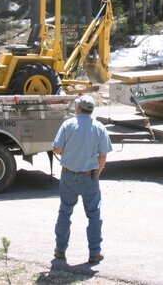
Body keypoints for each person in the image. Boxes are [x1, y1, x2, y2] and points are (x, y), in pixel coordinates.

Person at [52, 94, 113, 265]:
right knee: (94, 215)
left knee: (65, 212)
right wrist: (97, 173)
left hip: (68, 175)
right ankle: (95, 252)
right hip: (90, 176)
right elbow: (103, 156)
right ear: (92, 109)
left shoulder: (68, 125)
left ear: (78, 108)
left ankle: (60, 251)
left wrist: (68, 152)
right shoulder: (99, 128)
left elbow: (57, 149)